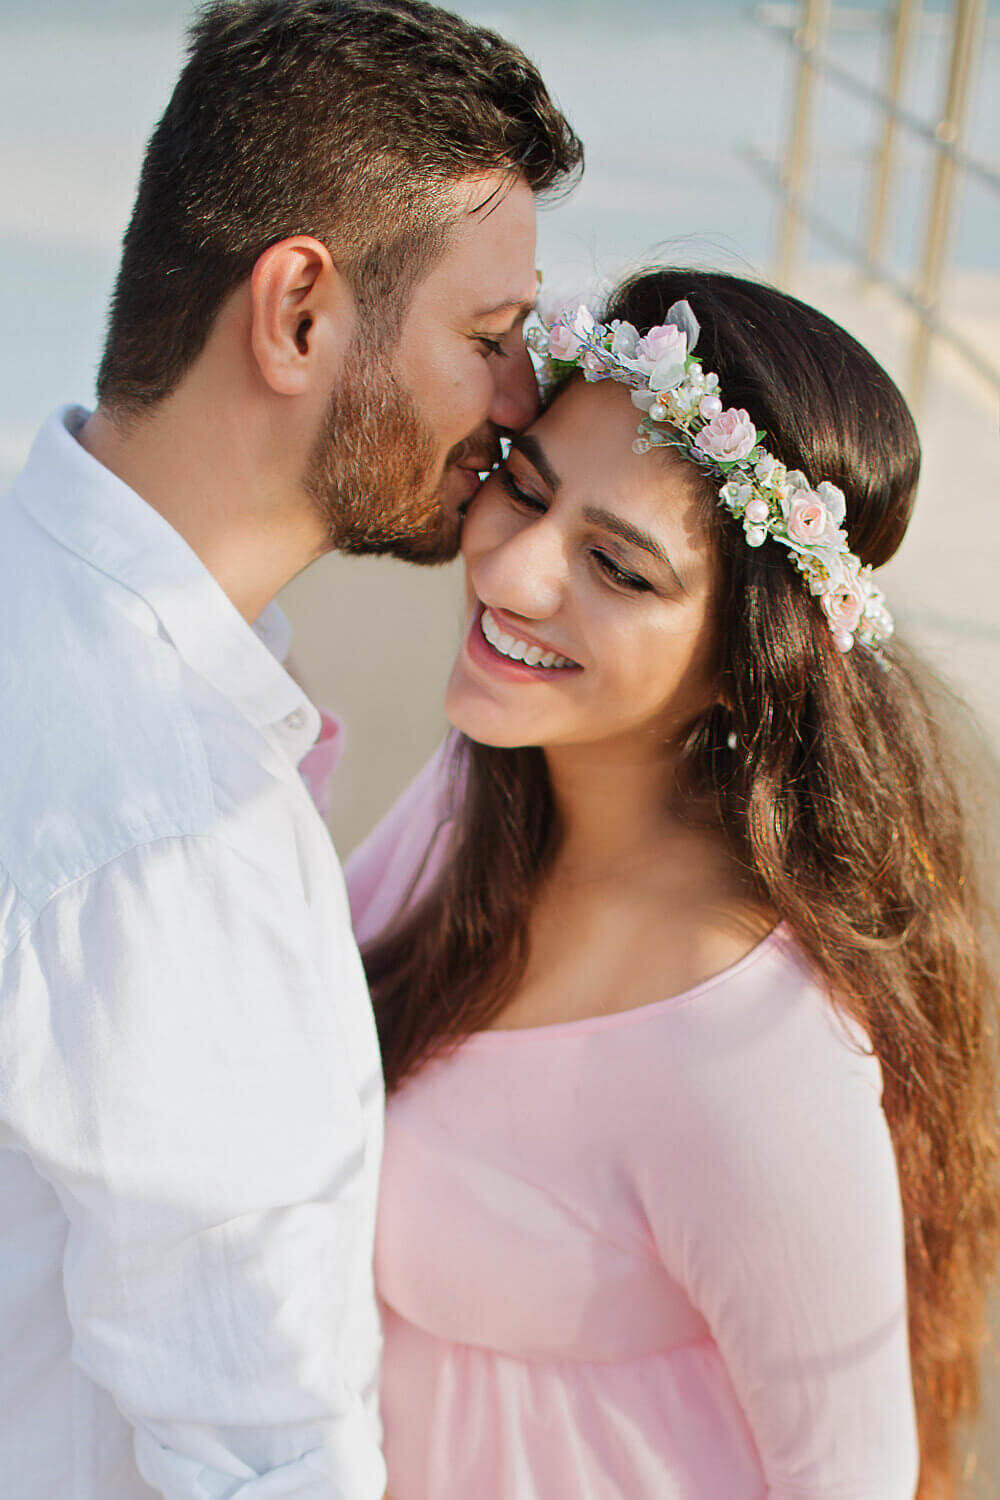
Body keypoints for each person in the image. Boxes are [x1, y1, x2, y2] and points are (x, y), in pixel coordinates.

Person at [0, 2, 580, 1496]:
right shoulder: (167, 829)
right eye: (492, 341)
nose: (520, 415)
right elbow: (265, 1457)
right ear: (301, 313)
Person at [346, 267, 1000, 1500]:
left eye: (621, 570)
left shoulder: (753, 1048)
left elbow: (849, 1479)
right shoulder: (475, 793)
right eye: (524, 489)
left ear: (740, 663)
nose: (513, 572)